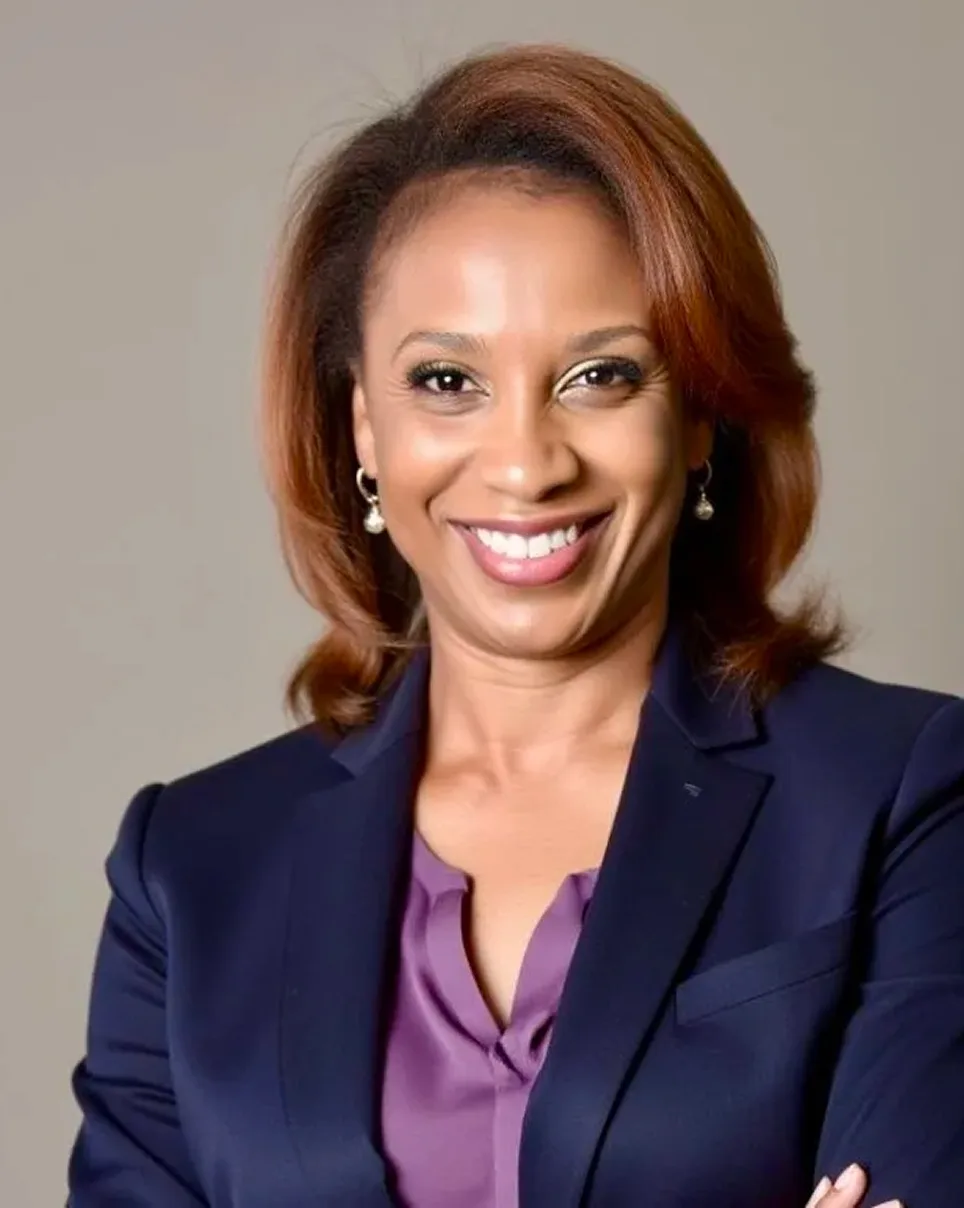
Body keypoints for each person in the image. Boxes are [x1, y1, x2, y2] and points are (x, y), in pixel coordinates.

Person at [66, 42, 963, 1208]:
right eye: (446, 381)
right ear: (362, 428)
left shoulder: (904, 795)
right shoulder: (189, 867)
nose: (526, 461)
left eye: (601, 375)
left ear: (698, 417)